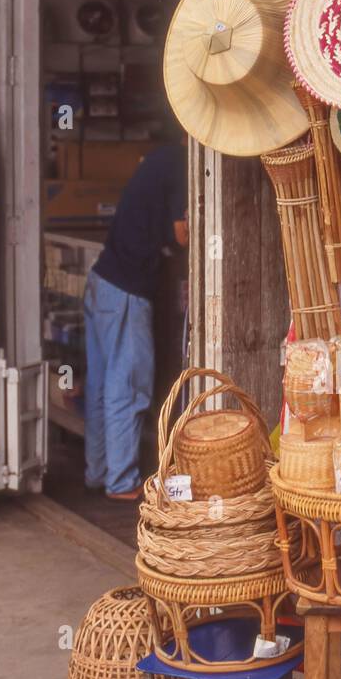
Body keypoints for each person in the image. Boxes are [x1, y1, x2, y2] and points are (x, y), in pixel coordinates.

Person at [84, 141, 188, 500]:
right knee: (127, 386)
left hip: (101, 281)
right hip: (125, 291)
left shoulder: (160, 158)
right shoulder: (181, 163)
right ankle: (121, 480)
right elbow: (181, 233)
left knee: (101, 386)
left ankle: (98, 472)